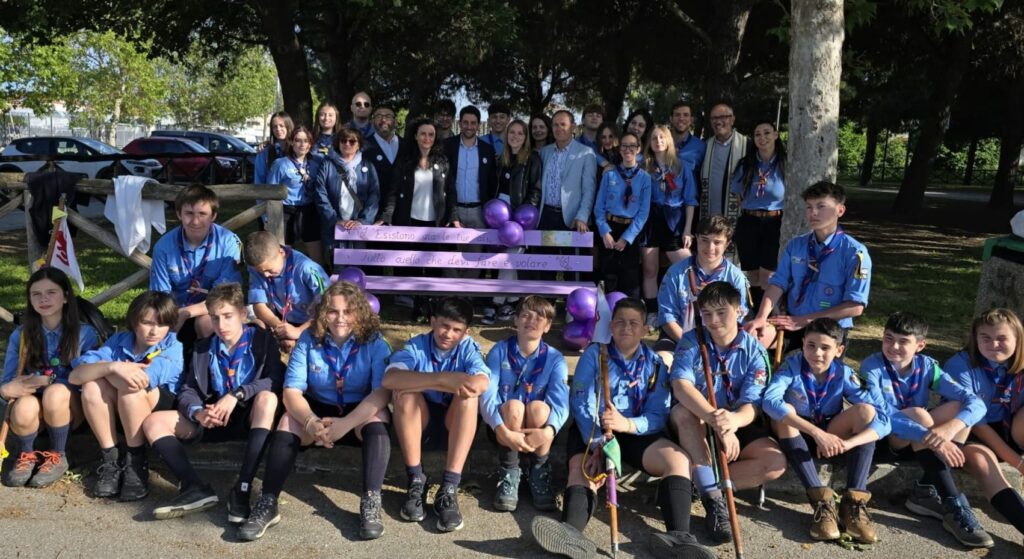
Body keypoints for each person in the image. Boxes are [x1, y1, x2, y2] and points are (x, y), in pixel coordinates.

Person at [530, 298, 714, 559]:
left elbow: (658, 415)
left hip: (635, 433)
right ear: (610, 326)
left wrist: (626, 424)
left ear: (645, 329)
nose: (626, 328)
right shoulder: (596, 354)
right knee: (582, 468)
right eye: (619, 322)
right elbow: (581, 401)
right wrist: (598, 442)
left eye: (633, 323)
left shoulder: (655, 364)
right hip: (594, 431)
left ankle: (678, 538)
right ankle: (570, 533)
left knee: (679, 460)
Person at [239, 281, 393, 541]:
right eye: (333, 311)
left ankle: (370, 500)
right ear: (323, 314)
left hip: (358, 411)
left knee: (380, 416)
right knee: (288, 420)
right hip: (317, 408)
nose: (340, 318)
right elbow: (291, 391)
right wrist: (310, 421)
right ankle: (268, 501)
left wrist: (345, 423)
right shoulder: (308, 339)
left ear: (359, 312)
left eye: (348, 311)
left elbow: (381, 393)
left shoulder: (375, 341)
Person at [141, 283, 282, 523]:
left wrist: (237, 395)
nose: (221, 325)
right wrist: (197, 412)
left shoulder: (263, 340)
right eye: (215, 318)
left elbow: (274, 380)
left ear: (242, 314)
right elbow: (188, 390)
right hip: (212, 416)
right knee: (154, 422)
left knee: (268, 399)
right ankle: (193, 486)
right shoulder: (203, 347)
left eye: (228, 316)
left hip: (249, 416)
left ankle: (243, 488)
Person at [861, 311, 992, 548]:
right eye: (889, 338)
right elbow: (883, 415)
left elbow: (976, 403)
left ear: (920, 346)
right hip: (888, 440)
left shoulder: (928, 367)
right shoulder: (871, 366)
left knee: (959, 408)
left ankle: (924, 488)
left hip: (922, 442)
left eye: (903, 341)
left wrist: (949, 430)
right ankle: (954, 504)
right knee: (919, 415)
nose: (894, 346)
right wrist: (932, 437)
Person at [669, 282, 786, 543]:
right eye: (707, 314)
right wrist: (716, 420)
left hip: (735, 420)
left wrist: (733, 421)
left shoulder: (755, 350)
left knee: (775, 462)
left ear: (739, 310)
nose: (713, 320)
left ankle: (703, 484)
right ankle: (714, 503)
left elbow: (752, 404)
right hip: (699, 416)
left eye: (721, 312)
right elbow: (681, 386)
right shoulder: (692, 341)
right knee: (683, 414)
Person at [762, 317, 890, 543]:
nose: (817, 353)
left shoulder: (844, 373)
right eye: (811, 345)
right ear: (803, 343)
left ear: (839, 350)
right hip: (799, 433)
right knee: (785, 412)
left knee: (866, 411)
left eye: (825, 348)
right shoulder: (791, 367)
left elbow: (884, 418)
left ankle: (854, 504)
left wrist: (847, 443)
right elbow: (770, 401)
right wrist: (816, 433)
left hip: (831, 436)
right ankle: (822, 502)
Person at [382, 297, 490, 533]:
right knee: (403, 393)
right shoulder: (416, 346)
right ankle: (416, 480)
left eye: (456, 330)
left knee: (468, 397)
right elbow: (390, 379)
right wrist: (442, 380)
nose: (448, 334)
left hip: (455, 424)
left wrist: (439, 383)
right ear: (432, 322)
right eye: (444, 326)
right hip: (421, 424)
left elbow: (481, 383)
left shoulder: (468, 348)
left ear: (466, 332)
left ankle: (449, 487)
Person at [69, 291, 184, 501]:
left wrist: (103, 369)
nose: (154, 331)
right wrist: (114, 367)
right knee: (92, 386)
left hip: (157, 406)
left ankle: (136, 461)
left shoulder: (173, 346)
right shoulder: (119, 340)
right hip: (121, 406)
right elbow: (76, 375)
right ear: (134, 321)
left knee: (129, 391)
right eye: (147, 323)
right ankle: (110, 460)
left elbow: (138, 382)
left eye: (162, 324)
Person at [0, 268, 99, 488]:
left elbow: (87, 380)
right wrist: (6, 390)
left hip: (69, 407)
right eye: (36, 294)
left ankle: (57, 455)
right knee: (23, 407)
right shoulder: (22, 335)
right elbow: (7, 380)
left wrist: (49, 381)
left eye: (51, 292)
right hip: (35, 404)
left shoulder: (84, 334)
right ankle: (27, 455)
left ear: (65, 297)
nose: (43, 299)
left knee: (55, 393)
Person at [745, 181, 871, 351]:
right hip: (792, 321)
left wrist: (805, 320)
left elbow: (855, 306)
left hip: (828, 328)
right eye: (809, 207)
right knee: (751, 338)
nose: (813, 213)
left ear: (840, 210)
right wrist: (761, 316)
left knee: (814, 360)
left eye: (821, 206)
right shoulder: (796, 245)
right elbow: (778, 283)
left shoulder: (855, 253)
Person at [945, 308, 1024, 546]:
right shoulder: (960, 365)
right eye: (986, 338)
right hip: (970, 432)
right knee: (984, 465)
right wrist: (1018, 463)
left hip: (1010, 428)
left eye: (1002, 338)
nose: (994, 344)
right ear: (975, 338)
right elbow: (976, 424)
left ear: (1017, 340)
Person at [481, 296, 568, 512]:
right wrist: (502, 430)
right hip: (504, 429)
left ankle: (539, 469)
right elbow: (487, 395)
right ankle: (509, 470)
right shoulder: (499, 351)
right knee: (514, 407)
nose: (531, 321)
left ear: (547, 326)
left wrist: (548, 431)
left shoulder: (555, 358)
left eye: (539, 318)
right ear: (516, 320)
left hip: (540, 432)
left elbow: (560, 402)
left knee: (539, 409)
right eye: (526, 315)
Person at [150, 184, 242, 354]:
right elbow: (160, 296)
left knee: (206, 323)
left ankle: (206, 364)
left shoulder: (229, 242)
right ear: (179, 214)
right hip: (174, 312)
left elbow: (225, 297)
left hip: (211, 311)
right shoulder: (163, 246)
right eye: (189, 214)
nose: (195, 221)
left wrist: (186, 313)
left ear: (213, 215)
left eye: (202, 214)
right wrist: (171, 317)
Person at [379, 119, 454, 321]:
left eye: (431, 134)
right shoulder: (405, 160)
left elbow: (450, 192)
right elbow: (393, 192)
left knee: (433, 266)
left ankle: (431, 306)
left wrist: (453, 216)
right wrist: (386, 216)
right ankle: (417, 307)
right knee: (412, 265)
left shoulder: (443, 162)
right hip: (410, 221)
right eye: (423, 134)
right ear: (415, 136)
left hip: (434, 223)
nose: (427, 138)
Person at [655, 216, 749, 362]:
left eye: (717, 242)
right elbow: (667, 316)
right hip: (678, 337)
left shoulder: (736, 278)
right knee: (662, 359)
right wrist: (691, 344)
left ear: (727, 244)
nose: (710, 247)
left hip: (721, 341)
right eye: (704, 240)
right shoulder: (675, 273)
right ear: (696, 238)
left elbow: (737, 317)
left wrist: (712, 346)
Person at [483, 119, 542, 325]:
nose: (515, 136)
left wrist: (524, 216)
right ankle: (512, 302)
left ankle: (496, 302)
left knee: (509, 259)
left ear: (526, 138)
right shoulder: (501, 158)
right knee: (506, 260)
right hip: (499, 216)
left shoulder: (532, 159)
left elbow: (535, 190)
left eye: (520, 133)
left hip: (520, 218)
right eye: (512, 132)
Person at [641, 125, 697, 327]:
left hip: (675, 220)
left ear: (669, 141)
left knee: (689, 268)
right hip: (650, 220)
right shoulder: (643, 167)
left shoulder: (681, 167)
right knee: (650, 269)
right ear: (649, 143)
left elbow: (690, 200)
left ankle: (690, 312)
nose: (658, 141)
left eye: (662, 137)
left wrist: (688, 229)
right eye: (654, 138)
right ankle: (652, 312)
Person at [731, 120, 786, 312]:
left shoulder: (784, 163)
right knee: (753, 274)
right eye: (757, 134)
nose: (762, 138)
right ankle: (755, 313)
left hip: (774, 222)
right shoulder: (746, 164)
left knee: (768, 275)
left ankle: (768, 315)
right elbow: (738, 195)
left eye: (767, 133)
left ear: (776, 135)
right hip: (749, 222)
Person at [245, 231, 328, 353]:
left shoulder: (306, 268)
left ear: (281, 252)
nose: (266, 275)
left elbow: (328, 305)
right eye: (262, 272)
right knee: (256, 327)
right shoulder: (257, 268)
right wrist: (282, 330)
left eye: (269, 270)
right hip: (280, 320)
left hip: (312, 321)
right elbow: (259, 306)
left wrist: (298, 332)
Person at [538, 110, 596, 282]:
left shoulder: (586, 153)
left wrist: (582, 216)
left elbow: (589, 189)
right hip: (546, 216)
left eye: (563, 124)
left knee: (573, 270)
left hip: (572, 219)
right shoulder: (545, 152)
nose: (559, 128)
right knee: (545, 267)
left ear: (573, 127)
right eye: (555, 125)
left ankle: (573, 300)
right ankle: (546, 299)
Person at [593, 132, 651, 299]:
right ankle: (606, 310)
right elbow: (599, 207)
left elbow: (643, 213)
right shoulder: (610, 174)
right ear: (619, 149)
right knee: (608, 275)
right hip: (609, 230)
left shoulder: (644, 178)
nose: (628, 149)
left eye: (632, 146)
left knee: (630, 278)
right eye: (624, 146)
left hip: (630, 230)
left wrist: (627, 238)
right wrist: (605, 232)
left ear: (638, 149)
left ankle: (629, 310)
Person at [314, 126, 382, 254]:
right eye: (343, 140)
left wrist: (362, 221)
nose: (347, 144)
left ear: (358, 145)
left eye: (352, 141)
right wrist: (335, 219)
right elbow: (320, 193)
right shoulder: (327, 164)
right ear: (338, 143)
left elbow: (374, 195)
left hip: (359, 228)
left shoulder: (368, 166)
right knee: (336, 263)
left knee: (358, 263)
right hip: (334, 227)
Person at [268, 125, 324, 266]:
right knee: (284, 256)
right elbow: (270, 191)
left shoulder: (315, 163)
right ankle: (285, 279)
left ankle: (319, 278)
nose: (302, 144)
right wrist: (267, 218)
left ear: (310, 144)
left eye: (306, 141)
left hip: (309, 211)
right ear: (292, 142)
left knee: (317, 257)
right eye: (298, 140)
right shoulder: (281, 164)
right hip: (287, 211)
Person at [443, 105, 497, 232]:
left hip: (479, 212)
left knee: (479, 246)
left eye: (473, 123)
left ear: (478, 125)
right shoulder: (447, 146)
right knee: (452, 245)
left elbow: (492, 182)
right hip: (453, 211)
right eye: (465, 122)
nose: (469, 126)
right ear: (460, 123)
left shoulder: (488, 150)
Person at [700, 103, 748, 222]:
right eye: (714, 118)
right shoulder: (704, 146)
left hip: (739, 217)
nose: (718, 121)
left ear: (732, 119)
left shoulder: (748, 146)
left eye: (723, 117)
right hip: (710, 215)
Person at [363, 104, 404, 221]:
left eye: (388, 116)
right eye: (379, 116)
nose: (384, 120)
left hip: (403, 211)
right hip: (374, 212)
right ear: (372, 121)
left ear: (395, 121)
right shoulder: (363, 146)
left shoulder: (407, 145)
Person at [670, 100, 705, 188]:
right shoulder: (660, 143)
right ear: (671, 119)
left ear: (691, 120)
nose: (681, 118)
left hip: (690, 196)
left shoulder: (701, 147)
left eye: (685, 115)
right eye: (677, 115)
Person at [255, 111, 293, 185]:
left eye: (281, 126)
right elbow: (259, 180)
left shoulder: (297, 150)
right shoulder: (264, 152)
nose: (278, 129)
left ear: (288, 126)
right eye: (275, 126)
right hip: (272, 191)